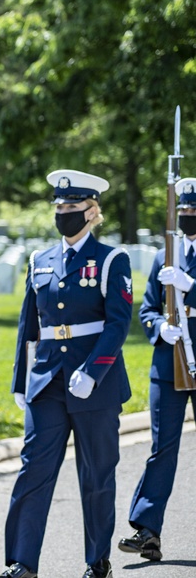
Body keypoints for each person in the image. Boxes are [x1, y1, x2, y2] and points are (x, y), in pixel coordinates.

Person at [0, 170, 133, 578]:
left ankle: (97, 560)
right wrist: (21, 381)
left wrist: (94, 371)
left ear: (92, 212)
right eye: (60, 207)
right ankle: (22, 563)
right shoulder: (40, 261)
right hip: (47, 380)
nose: (64, 213)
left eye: (72, 207)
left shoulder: (110, 260)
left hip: (94, 384)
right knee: (33, 469)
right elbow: (28, 325)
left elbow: (119, 324)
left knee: (97, 473)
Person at [118, 176, 196, 562]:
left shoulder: (183, 263)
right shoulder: (164, 253)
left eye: (193, 212)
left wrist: (191, 286)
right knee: (162, 448)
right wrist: (159, 328)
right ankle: (148, 531)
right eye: (182, 211)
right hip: (169, 363)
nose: (187, 218)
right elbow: (147, 307)